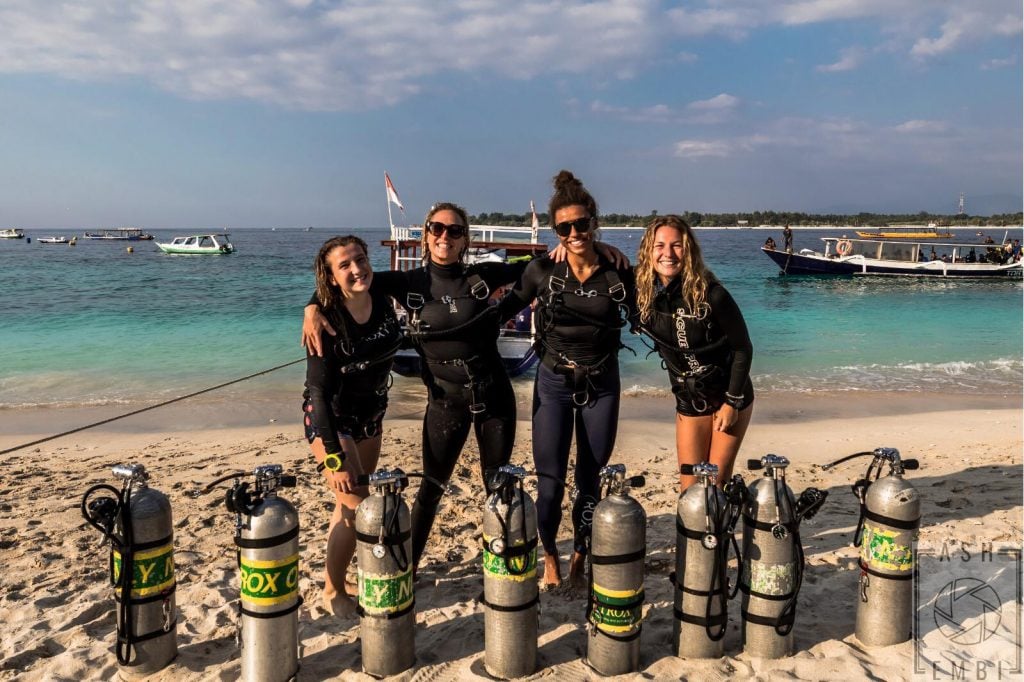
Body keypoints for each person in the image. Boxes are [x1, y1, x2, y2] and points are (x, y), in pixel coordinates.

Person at [498, 171, 635, 589]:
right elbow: (501, 310)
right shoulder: (542, 271)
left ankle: (579, 554)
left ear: (595, 222)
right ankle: (551, 557)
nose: (575, 233)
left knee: (590, 478)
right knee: (551, 482)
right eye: (565, 227)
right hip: (554, 384)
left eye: (582, 223)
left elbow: (654, 314)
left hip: (602, 383)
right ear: (556, 231)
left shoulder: (618, 272)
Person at [304, 235, 402, 616]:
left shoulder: (381, 293)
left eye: (360, 259)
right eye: (344, 265)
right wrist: (333, 458)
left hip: (371, 416)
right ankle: (332, 592)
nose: (356, 269)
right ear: (330, 277)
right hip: (333, 423)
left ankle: (337, 577)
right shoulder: (326, 320)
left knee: (344, 508)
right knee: (357, 506)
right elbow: (317, 394)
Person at [632, 215, 754, 492]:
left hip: (728, 395)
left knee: (715, 486)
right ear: (648, 251)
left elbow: (742, 348)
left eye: (676, 245)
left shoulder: (713, 295)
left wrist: (731, 403)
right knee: (690, 490)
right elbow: (602, 269)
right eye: (659, 245)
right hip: (688, 398)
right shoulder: (641, 292)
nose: (668, 254)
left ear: (688, 250)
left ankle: (720, 534)